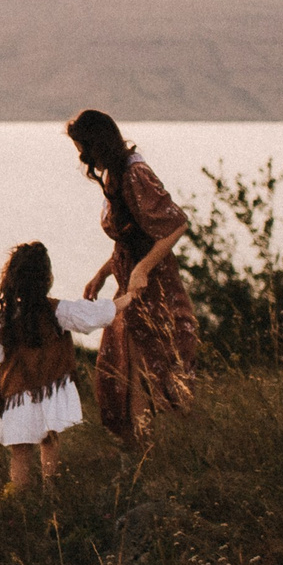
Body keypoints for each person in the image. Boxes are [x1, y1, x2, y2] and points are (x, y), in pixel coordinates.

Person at [68, 109, 200, 451]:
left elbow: (176, 224)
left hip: (152, 284)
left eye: (85, 146)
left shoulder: (135, 173)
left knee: (155, 368)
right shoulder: (114, 174)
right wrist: (103, 273)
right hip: (128, 282)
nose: (83, 155)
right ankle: (144, 453)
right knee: (125, 370)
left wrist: (142, 270)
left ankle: (166, 452)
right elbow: (129, 238)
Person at [0, 241, 116, 495]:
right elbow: (95, 316)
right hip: (45, 390)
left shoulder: (7, 314)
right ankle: (50, 493)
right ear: (47, 278)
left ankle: (20, 504)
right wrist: (127, 297)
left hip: (14, 394)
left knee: (20, 453)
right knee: (48, 439)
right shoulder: (56, 311)